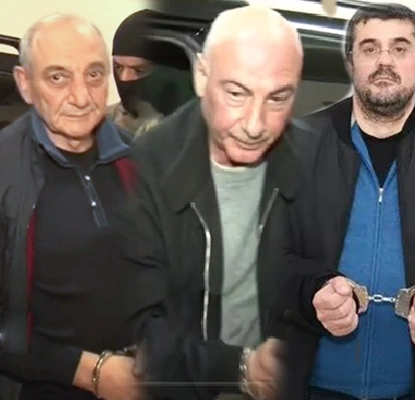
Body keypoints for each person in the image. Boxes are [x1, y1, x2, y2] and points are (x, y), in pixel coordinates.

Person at [279, 3, 415, 400]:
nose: (384, 60)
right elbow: (266, 257)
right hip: (315, 387)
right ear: (351, 62)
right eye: (370, 48)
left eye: (399, 48)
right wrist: (311, 290)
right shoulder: (297, 145)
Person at [121, 5, 306, 400]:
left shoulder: (319, 162)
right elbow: (139, 330)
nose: (255, 124)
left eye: (278, 98)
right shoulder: (147, 166)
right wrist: (239, 369)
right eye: (237, 93)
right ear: (202, 76)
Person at [0, 14, 139, 400]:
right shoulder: (4, 171)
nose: (81, 97)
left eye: (94, 75)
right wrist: (89, 372)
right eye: (58, 77)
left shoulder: (140, 160)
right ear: (25, 84)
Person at [107, 9, 164, 136]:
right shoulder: (100, 123)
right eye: (118, 67)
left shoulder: (187, 130)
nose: (124, 78)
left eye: (139, 70)